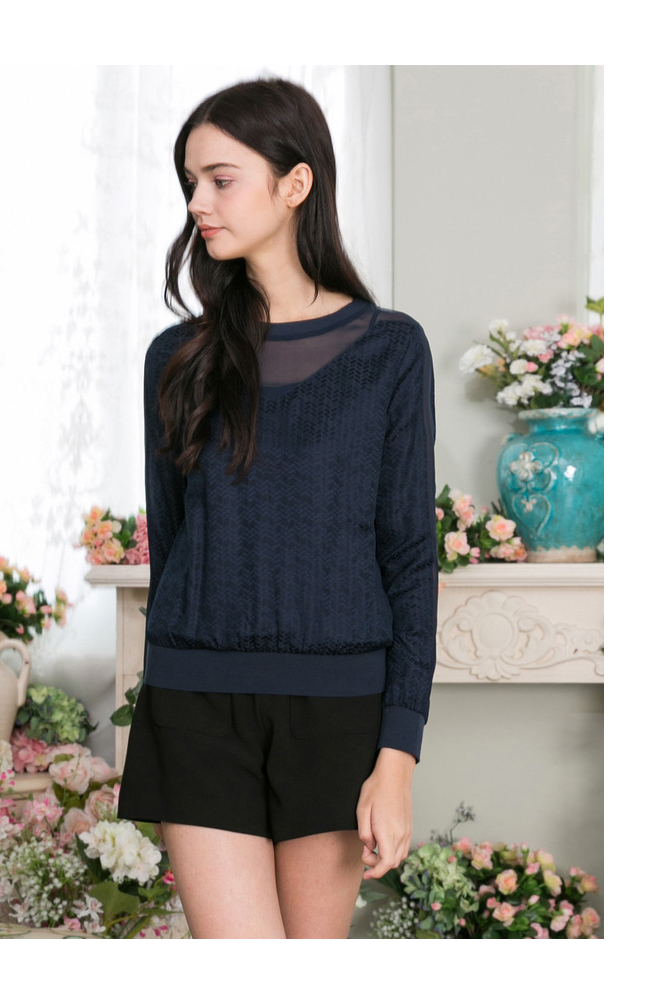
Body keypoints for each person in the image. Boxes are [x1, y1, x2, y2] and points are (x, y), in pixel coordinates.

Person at [117, 77, 438, 940]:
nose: (198, 203)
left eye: (221, 180)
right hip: (196, 701)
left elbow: (410, 559)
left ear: (296, 184)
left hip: (338, 712)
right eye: (191, 182)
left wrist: (397, 758)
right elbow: (174, 545)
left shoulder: (391, 351)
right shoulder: (175, 359)